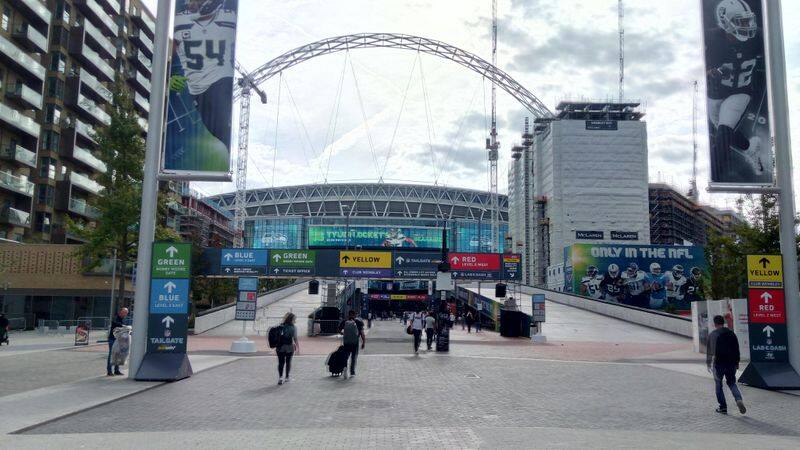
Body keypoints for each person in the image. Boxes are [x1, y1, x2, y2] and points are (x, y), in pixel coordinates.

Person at [706, 315, 746, 415]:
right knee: (732, 383)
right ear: (723, 323)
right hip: (731, 363)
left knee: (718, 386)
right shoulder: (731, 333)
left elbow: (709, 351)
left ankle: (723, 407)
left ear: (714, 324)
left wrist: (708, 363)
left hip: (718, 364)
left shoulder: (713, 335)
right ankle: (738, 399)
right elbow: (736, 349)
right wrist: (737, 362)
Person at [338, 310, 365, 379]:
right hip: (355, 343)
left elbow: (338, 330)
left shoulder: (344, 321)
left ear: (348, 315)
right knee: (353, 358)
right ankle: (352, 372)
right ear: (355, 315)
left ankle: (345, 368)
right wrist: (363, 342)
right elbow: (362, 333)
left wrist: (343, 334)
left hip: (346, 342)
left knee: (345, 356)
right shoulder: (358, 322)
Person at [276, 312, 299, 385]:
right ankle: (287, 377)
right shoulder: (294, 327)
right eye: (294, 319)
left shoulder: (280, 326)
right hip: (289, 347)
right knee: (288, 362)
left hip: (280, 347)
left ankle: (280, 378)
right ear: (292, 319)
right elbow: (295, 338)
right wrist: (298, 347)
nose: (295, 321)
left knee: (281, 362)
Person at [107, 308, 129, 376]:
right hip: (113, 339)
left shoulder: (123, 319)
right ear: (120, 312)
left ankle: (116, 370)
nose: (125, 315)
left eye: (126, 313)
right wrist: (123, 326)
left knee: (118, 354)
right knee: (112, 354)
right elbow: (115, 323)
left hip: (119, 339)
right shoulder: (116, 317)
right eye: (124, 313)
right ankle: (109, 371)